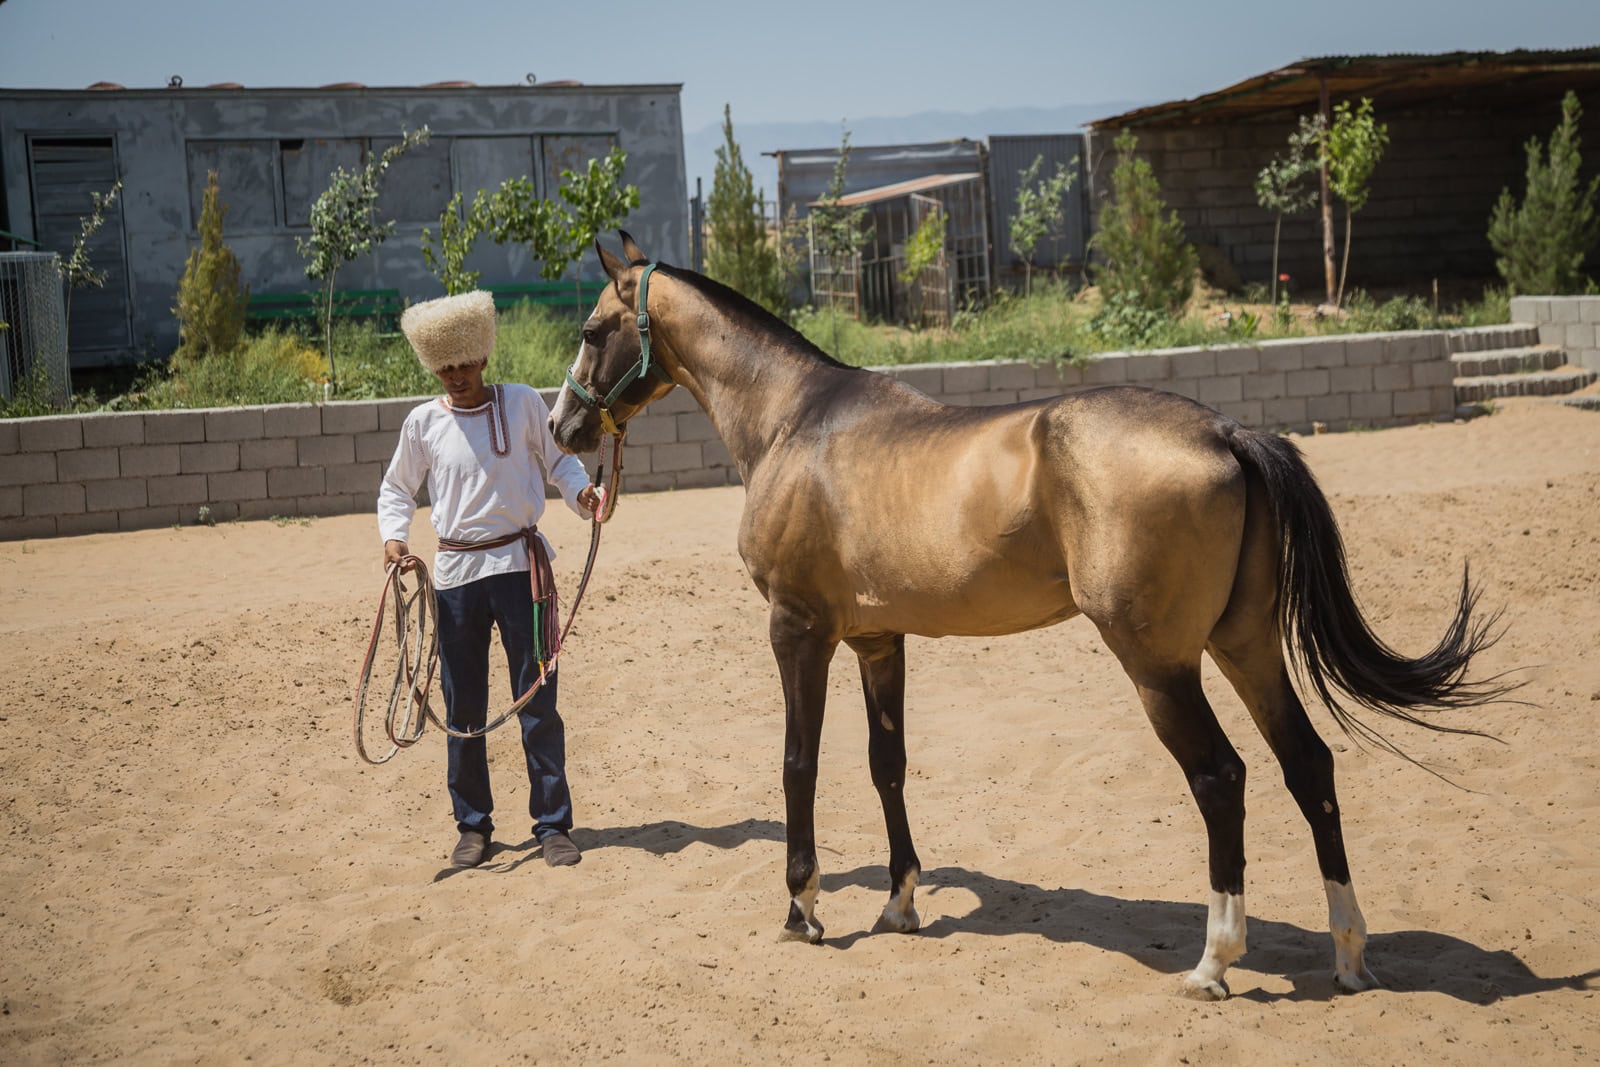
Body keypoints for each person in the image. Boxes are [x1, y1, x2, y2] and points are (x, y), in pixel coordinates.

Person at [377, 290, 599, 869]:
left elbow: (561, 461)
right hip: (454, 577)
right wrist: (394, 537)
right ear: (434, 365)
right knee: (463, 705)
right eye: (444, 366)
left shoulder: (524, 404)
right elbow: (397, 487)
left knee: (537, 700)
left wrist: (581, 494)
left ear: (482, 358)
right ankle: (472, 826)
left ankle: (553, 825)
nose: (456, 376)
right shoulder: (422, 423)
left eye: (464, 363)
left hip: (521, 571)